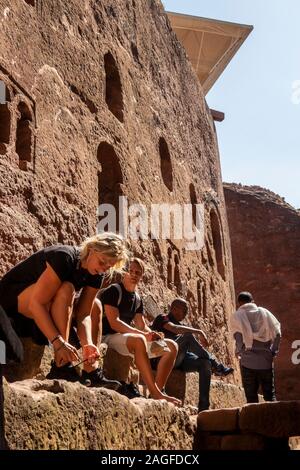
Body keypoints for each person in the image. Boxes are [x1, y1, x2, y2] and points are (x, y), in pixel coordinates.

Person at [0, 232, 128, 389]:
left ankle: (91, 371)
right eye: (102, 262)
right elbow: (37, 304)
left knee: (96, 306)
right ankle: (61, 365)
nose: (103, 269)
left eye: (108, 267)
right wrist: (59, 343)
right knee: (67, 288)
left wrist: (87, 343)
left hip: (44, 305)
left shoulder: (97, 273)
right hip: (11, 302)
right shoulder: (65, 257)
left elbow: (84, 314)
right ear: (92, 249)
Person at [98, 257, 181, 405]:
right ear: (124, 272)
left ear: (141, 276)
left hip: (127, 341)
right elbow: (114, 323)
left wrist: (153, 334)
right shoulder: (114, 291)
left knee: (171, 347)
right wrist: (143, 335)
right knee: (140, 340)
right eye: (131, 271)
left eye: (138, 272)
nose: (134, 274)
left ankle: (156, 392)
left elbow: (141, 324)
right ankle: (156, 392)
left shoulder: (137, 298)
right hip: (107, 337)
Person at [152, 298, 234, 412]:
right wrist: (199, 331)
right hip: (162, 359)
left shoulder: (183, 325)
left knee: (205, 363)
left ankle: (204, 407)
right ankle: (217, 365)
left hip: (180, 360)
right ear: (174, 309)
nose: (186, 313)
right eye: (184, 310)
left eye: (186, 311)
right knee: (188, 336)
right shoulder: (163, 318)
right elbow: (174, 329)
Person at [231, 291, 281, 403]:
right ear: (252, 301)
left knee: (251, 397)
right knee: (270, 395)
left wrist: (240, 352)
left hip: (248, 362)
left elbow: (238, 339)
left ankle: (253, 420)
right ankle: (275, 419)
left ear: (239, 304)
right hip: (266, 361)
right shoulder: (264, 313)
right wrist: (273, 350)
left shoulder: (237, 316)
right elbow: (277, 333)